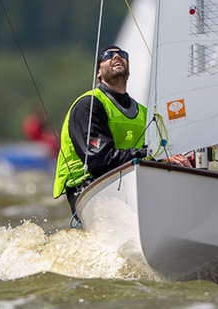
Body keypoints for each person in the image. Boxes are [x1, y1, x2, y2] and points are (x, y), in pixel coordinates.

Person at [53, 45, 190, 211]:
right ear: (98, 73)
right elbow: (100, 161)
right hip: (89, 186)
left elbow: (162, 150)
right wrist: (153, 154)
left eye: (122, 55)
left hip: (136, 184)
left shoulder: (145, 113)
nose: (117, 57)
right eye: (108, 55)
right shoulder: (88, 105)